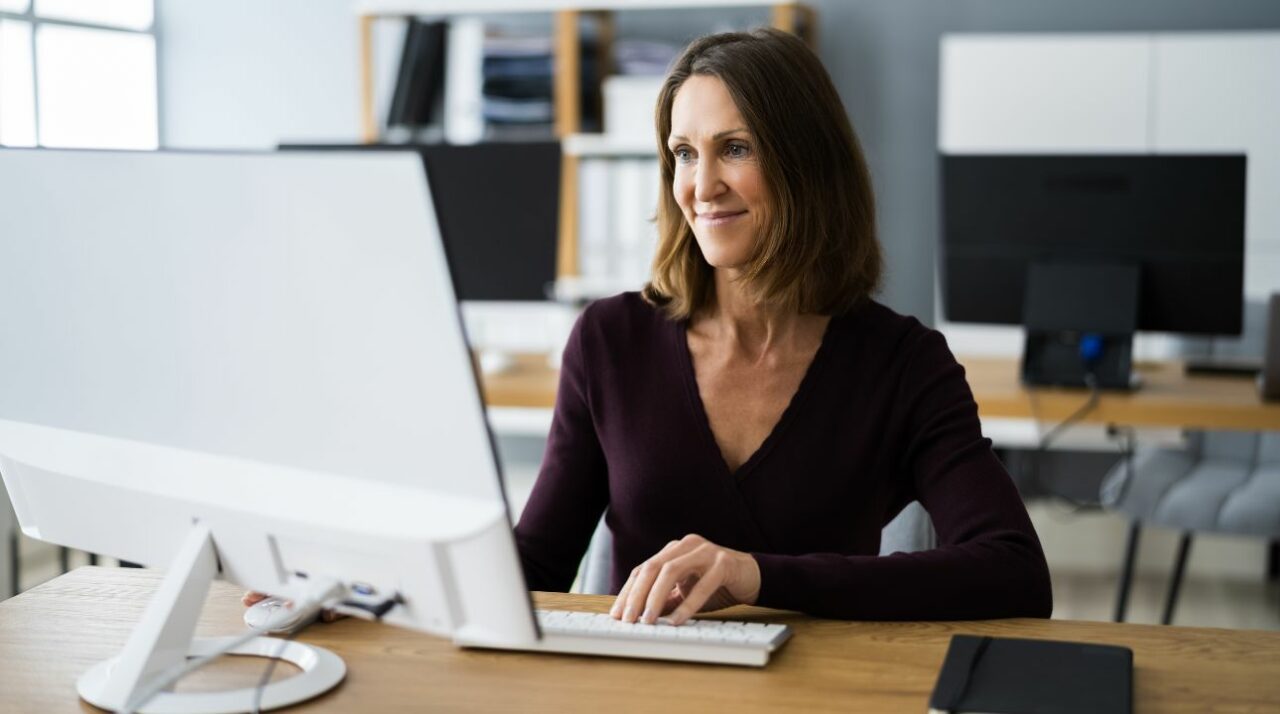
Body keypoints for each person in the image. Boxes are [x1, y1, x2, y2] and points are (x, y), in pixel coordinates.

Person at [513, 28, 1053, 625]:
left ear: (807, 164)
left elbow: (1015, 573)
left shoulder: (903, 363)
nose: (702, 186)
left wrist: (759, 576)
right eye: (685, 154)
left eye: (736, 148)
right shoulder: (609, 340)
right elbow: (535, 567)